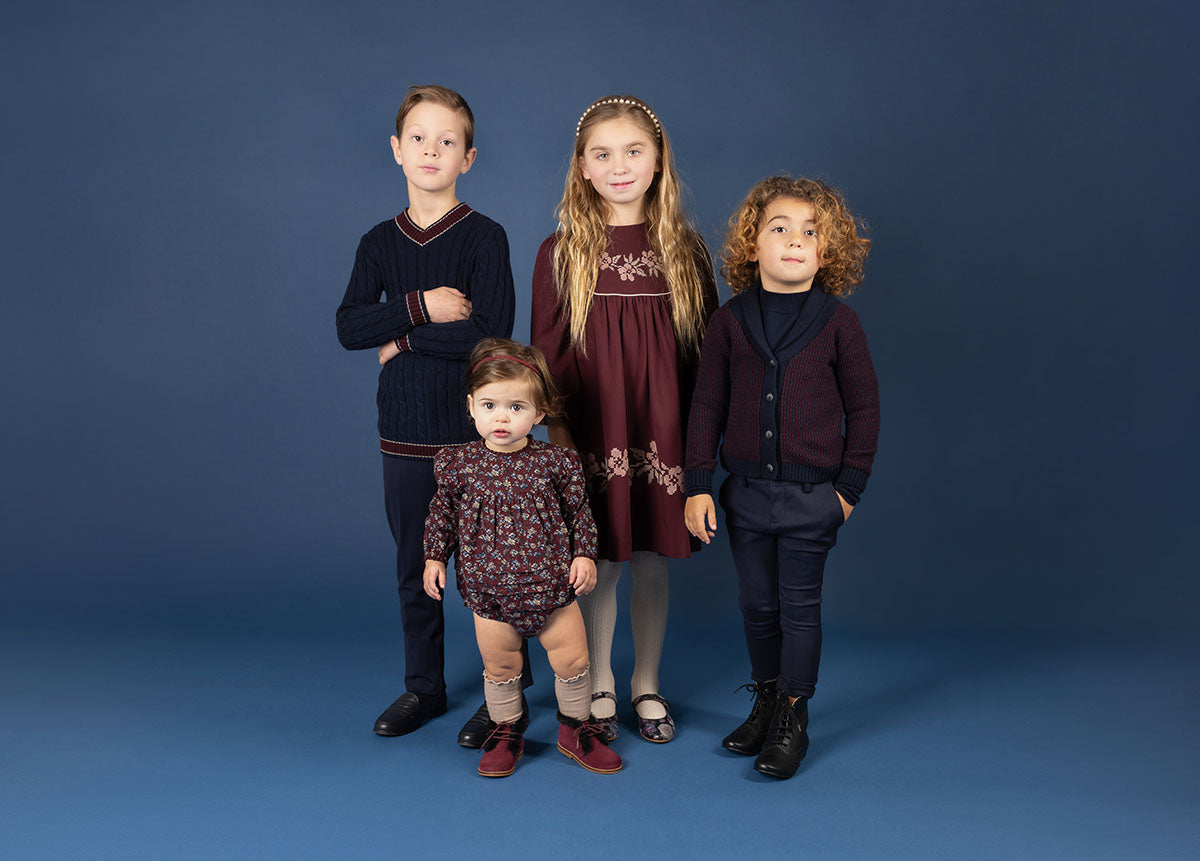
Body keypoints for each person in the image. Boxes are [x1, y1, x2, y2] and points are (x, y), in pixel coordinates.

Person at [335, 84, 525, 745]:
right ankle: (425, 686)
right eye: (418, 137)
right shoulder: (378, 242)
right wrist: (421, 307)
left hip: (475, 434)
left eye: (447, 141)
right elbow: (350, 327)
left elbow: (491, 334)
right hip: (404, 433)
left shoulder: (485, 236)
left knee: (489, 566)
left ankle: (506, 691)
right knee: (416, 567)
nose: (431, 150)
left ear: (468, 157)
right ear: (397, 149)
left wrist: (406, 341)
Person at [531, 95, 717, 744]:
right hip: (592, 434)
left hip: (663, 433)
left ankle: (647, 682)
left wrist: (697, 451)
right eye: (603, 154)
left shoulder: (686, 251)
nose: (619, 166)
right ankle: (602, 682)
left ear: (658, 161)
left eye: (633, 152)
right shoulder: (561, 253)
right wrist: (560, 444)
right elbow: (547, 360)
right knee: (603, 561)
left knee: (652, 560)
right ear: (582, 167)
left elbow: (705, 363)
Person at [683, 176, 880, 779]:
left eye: (810, 232)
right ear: (752, 244)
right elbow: (706, 406)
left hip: (812, 498)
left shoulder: (839, 323)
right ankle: (767, 702)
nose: (795, 241)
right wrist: (697, 484)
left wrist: (847, 490)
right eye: (780, 228)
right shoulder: (729, 321)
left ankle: (794, 715)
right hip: (744, 495)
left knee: (798, 609)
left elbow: (865, 409)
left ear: (827, 251)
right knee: (756, 606)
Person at [423, 338, 622, 777]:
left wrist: (584, 555)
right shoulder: (459, 464)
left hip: (552, 588)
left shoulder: (556, 463)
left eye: (516, 407)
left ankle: (575, 728)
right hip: (488, 591)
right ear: (471, 407)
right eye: (490, 405)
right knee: (500, 665)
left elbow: (580, 515)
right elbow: (442, 513)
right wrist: (434, 558)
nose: (501, 417)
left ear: (539, 413)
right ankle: (506, 731)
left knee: (573, 660)